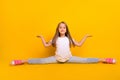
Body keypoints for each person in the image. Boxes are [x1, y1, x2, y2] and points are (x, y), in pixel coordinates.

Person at [11, 21, 116, 65]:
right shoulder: (55, 38)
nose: (62, 29)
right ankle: (22, 61)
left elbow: (79, 44)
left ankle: (104, 59)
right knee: (42, 61)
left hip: (69, 58)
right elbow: (46, 45)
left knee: (84, 60)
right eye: (60, 27)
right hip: (56, 59)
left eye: (64, 27)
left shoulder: (69, 38)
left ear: (66, 29)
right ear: (58, 29)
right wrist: (42, 37)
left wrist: (86, 36)